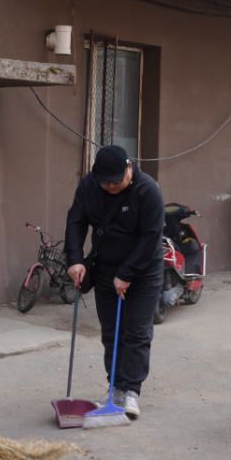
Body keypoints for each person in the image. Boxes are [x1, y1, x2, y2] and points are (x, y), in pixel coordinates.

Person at [65, 145, 165, 419]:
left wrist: (127, 274)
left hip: (143, 271)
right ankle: (115, 389)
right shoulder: (89, 186)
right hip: (106, 268)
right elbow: (76, 220)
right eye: (105, 182)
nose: (110, 187)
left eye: (116, 181)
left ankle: (131, 391)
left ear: (129, 168)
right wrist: (74, 259)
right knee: (111, 332)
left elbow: (150, 238)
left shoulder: (148, 191)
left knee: (136, 331)